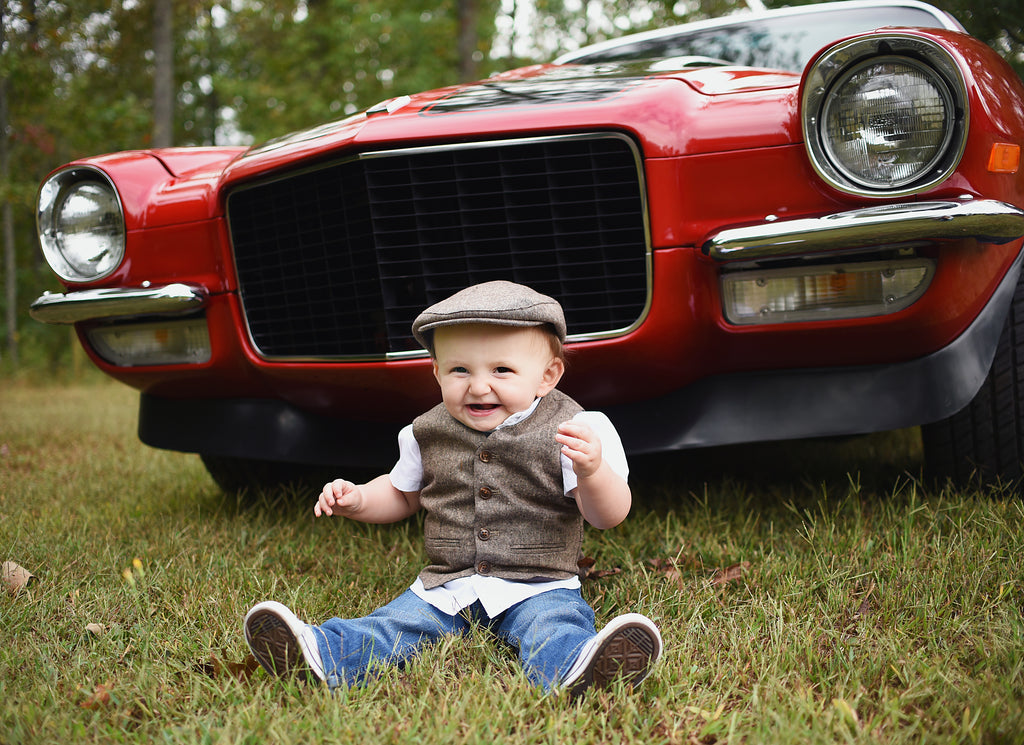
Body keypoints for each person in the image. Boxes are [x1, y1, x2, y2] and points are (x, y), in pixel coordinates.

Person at [243, 280, 662, 696]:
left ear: (547, 376)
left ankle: (575, 667)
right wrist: (360, 499)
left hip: (539, 582)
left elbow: (608, 516)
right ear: (437, 371)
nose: (478, 386)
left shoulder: (577, 431)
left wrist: (592, 472)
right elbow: (402, 493)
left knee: (552, 626)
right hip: (448, 585)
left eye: (501, 370)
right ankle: (325, 653)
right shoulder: (426, 432)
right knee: (395, 624)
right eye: (460, 370)